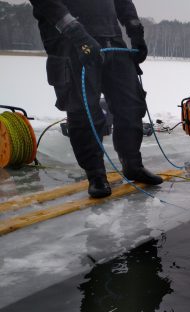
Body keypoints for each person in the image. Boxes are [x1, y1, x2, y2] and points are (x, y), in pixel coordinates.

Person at [29, 0, 163, 198]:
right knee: (83, 111)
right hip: (69, 42)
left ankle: (133, 165)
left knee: (131, 104)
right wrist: (76, 33)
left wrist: (136, 31)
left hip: (112, 39)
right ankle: (96, 175)